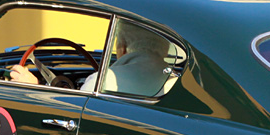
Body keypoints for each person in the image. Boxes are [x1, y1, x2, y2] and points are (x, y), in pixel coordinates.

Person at [9, 21, 170, 96]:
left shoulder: (100, 83)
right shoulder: (173, 83)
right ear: (166, 48)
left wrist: (35, 88)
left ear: (122, 46)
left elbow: (69, 118)